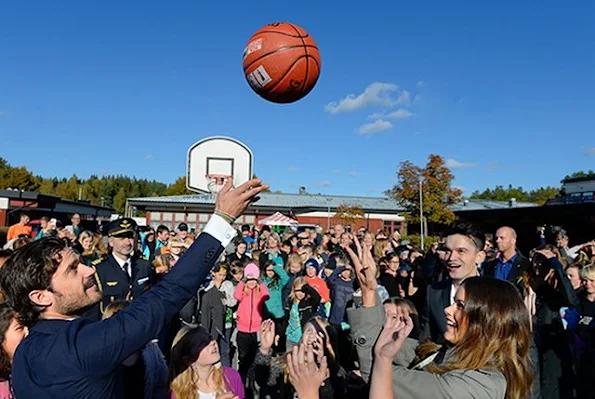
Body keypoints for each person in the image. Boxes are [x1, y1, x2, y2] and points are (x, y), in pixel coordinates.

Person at [0, 178, 267, 398]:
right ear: (40, 296)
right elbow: (168, 294)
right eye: (73, 269)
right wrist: (222, 218)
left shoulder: (25, 353)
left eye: (80, 262)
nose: (89, 269)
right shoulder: (80, 345)